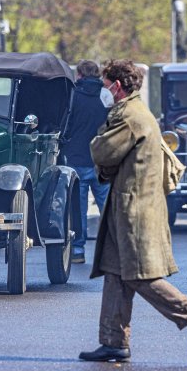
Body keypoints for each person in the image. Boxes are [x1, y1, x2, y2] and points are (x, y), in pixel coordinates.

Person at [78, 59, 187, 363]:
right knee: (115, 272)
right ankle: (114, 342)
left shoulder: (129, 116)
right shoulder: (133, 112)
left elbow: (102, 151)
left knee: (139, 274)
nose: (103, 90)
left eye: (105, 84)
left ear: (117, 85)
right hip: (127, 205)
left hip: (134, 210)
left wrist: (98, 144)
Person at [60, 60, 109, 264]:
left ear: (79, 75)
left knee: (77, 209)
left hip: (76, 159)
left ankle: (78, 250)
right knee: (106, 206)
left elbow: (66, 126)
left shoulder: (71, 96)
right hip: (101, 160)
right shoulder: (106, 96)